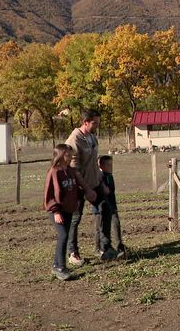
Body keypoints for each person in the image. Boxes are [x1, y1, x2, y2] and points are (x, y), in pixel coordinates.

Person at [65, 109, 104, 266]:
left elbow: (94, 161)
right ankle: (72, 253)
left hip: (95, 182)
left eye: (98, 122)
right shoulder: (74, 140)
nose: (97, 125)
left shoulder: (92, 137)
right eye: (94, 122)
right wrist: (86, 189)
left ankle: (101, 248)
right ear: (85, 122)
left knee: (103, 212)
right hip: (78, 186)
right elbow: (74, 169)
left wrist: (100, 179)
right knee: (75, 219)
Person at [43, 144, 79, 281]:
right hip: (57, 211)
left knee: (65, 236)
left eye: (71, 154)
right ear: (60, 155)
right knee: (63, 236)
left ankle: (56, 264)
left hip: (69, 209)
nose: (70, 156)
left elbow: (75, 188)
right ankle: (60, 268)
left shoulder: (70, 171)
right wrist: (55, 211)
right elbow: (49, 193)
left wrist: (78, 201)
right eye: (67, 154)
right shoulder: (54, 171)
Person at [93, 155, 126, 258]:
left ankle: (119, 245)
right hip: (100, 209)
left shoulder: (110, 176)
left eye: (111, 164)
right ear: (100, 165)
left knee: (116, 224)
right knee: (99, 228)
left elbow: (112, 192)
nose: (110, 166)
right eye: (108, 165)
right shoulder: (99, 177)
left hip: (111, 205)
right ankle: (98, 248)